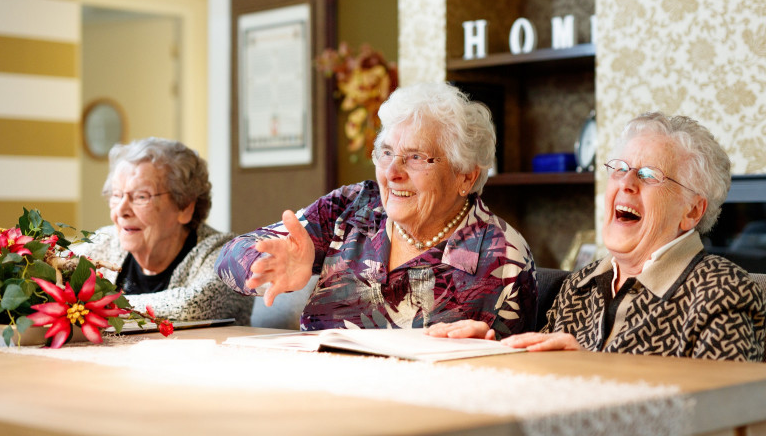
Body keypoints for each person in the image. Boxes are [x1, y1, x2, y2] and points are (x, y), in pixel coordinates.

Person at [429, 112, 766, 361]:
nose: (625, 184)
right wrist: (489, 351)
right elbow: (545, 384)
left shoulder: (722, 291)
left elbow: (725, 413)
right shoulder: (582, 284)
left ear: (692, 211)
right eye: (619, 169)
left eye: (649, 176)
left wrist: (591, 367)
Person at [216, 81, 537, 337]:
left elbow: (517, 375)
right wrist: (266, 262)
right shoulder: (353, 208)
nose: (392, 171)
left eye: (415, 157)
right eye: (386, 152)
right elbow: (227, 259)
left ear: (465, 176)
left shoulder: (501, 256)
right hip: (317, 395)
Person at [74, 137, 253, 325]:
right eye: (116, 195)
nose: (121, 210)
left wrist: (97, 305)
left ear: (185, 207)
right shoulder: (104, 244)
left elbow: (194, 306)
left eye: (141, 196)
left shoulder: (226, 254)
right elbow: (46, 281)